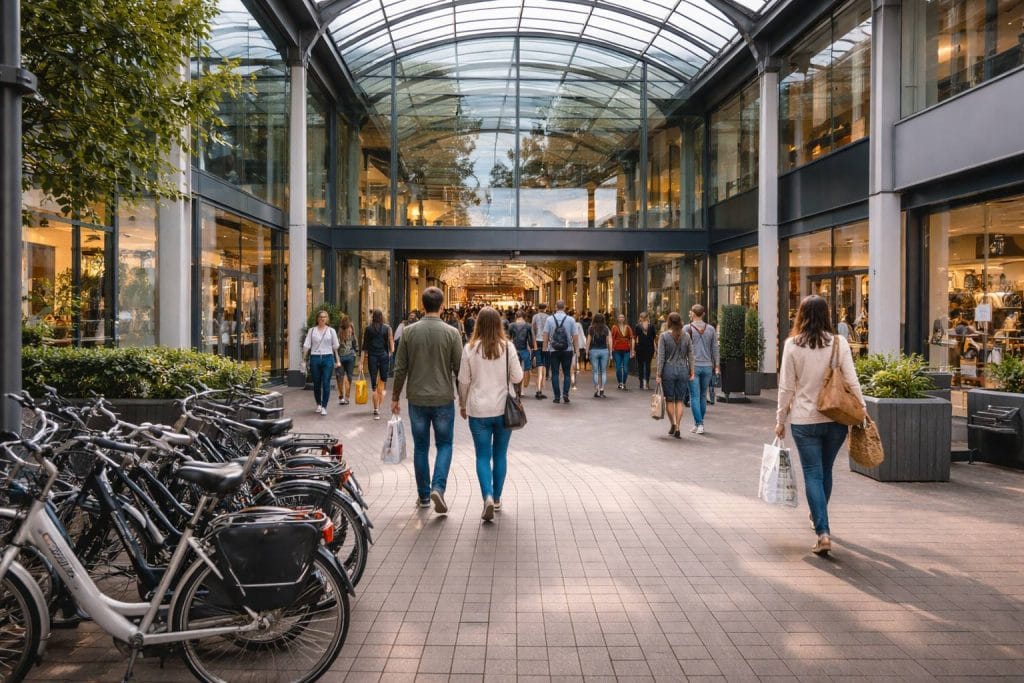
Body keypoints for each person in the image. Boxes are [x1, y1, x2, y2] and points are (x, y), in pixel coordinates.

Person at [775, 295, 866, 556]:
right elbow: (852, 380)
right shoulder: (839, 343)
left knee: (813, 473)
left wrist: (780, 420)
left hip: (804, 420)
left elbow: (786, 387)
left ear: (801, 315)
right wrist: (862, 410)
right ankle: (818, 518)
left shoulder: (792, 345)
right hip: (836, 418)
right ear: (827, 315)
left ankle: (822, 531)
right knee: (825, 471)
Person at [392, 287, 463, 513]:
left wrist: (395, 396)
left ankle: (423, 495)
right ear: (442, 306)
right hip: (443, 398)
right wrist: (463, 399)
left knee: (421, 447)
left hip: (417, 398)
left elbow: (400, 368)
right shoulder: (452, 333)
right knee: (445, 444)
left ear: (423, 306)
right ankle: (438, 488)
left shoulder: (409, 332)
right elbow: (459, 370)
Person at [458, 307, 523, 522]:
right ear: (498, 324)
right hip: (504, 409)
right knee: (500, 455)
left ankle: (486, 494)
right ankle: (496, 499)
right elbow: (517, 376)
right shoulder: (508, 347)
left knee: (482, 456)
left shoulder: (470, 348)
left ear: (478, 324)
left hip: (478, 410)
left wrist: (462, 404)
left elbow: (463, 381)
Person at [655, 312, 695, 439]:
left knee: (670, 400)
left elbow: (661, 357)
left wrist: (658, 374)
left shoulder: (664, 336)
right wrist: (692, 371)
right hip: (683, 370)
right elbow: (691, 355)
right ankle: (678, 427)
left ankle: (672, 423)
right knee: (679, 401)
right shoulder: (686, 336)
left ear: (669, 322)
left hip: (668, 370)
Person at [684, 304, 720, 435]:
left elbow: (682, 347)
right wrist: (717, 365)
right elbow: (715, 348)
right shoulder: (711, 329)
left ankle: (699, 424)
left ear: (693, 314)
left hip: (693, 367)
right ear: (703, 314)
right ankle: (698, 423)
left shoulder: (687, 328)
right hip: (708, 366)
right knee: (703, 396)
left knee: (694, 396)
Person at [303, 310, 340, 415]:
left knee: (326, 382)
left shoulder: (331, 331)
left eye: (324, 317)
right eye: (320, 317)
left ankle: (324, 406)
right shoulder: (312, 331)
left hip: (328, 358)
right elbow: (306, 346)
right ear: (317, 319)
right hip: (315, 358)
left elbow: (335, 346)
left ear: (327, 319)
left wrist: (337, 359)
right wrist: (303, 360)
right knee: (316, 383)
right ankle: (318, 404)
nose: (322, 319)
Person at [542, 300, 578, 404]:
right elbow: (575, 336)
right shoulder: (571, 320)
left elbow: (545, 334)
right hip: (567, 349)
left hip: (554, 350)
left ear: (555, 307)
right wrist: (577, 350)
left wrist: (544, 348)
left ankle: (557, 397)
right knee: (567, 373)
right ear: (565, 307)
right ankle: (565, 393)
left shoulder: (549, 319)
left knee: (555, 373)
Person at [361, 310, 394, 419]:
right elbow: (391, 344)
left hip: (372, 357)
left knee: (374, 384)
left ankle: (376, 408)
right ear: (382, 317)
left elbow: (364, 347)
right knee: (382, 382)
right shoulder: (387, 328)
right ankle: (378, 406)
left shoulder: (368, 329)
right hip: (384, 356)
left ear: (373, 317)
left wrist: (361, 362)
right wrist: (391, 352)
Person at [508, 309, 534, 391]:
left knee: (515, 369)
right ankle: (523, 387)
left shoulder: (511, 325)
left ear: (516, 316)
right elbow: (530, 341)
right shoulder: (528, 326)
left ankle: (516, 388)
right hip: (524, 350)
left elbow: (508, 338)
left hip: (514, 350)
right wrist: (532, 347)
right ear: (524, 316)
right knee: (526, 368)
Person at [335, 315, 359, 405]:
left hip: (348, 356)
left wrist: (355, 351)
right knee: (342, 377)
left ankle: (345, 397)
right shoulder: (340, 331)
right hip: (342, 357)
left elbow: (355, 341)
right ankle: (343, 397)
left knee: (344, 377)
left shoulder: (350, 329)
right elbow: (336, 345)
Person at [587, 313, 610, 398]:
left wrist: (586, 352)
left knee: (595, 371)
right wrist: (609, 352)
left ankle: (597, 389)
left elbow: (588, 341)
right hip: (604, 350)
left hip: (594, 351)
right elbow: (608, 342)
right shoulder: (606, 328)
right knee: (603, 371)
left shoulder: (591, 328)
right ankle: (602, 389)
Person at [531, 303, 551, 400]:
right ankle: (540, 389)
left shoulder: (535, 317)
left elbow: (533, 330)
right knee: (544, 366)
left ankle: (539, 390)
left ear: (538, 308)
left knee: (539, 367)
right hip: (546, 343)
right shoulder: (548, 317)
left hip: (537, 342)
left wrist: (534, 344)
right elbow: (550, 331)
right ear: (545, 308)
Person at [633, 311, 657, 390]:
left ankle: (642, 383)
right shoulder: (650, 326)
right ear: (647, 317)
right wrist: (655, 349)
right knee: (647, 366)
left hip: (641, 347)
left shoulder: (638, 326)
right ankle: (646, 383)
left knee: (641, 366)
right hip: (648, 348)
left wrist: (634, 349)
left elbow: (636, 339)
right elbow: (653, 339)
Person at [611, 314, 634, 390]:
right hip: (617, 349)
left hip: (626, 349)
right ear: (617, 318)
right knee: (618, 368)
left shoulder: (628, 327)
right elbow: (612, 338)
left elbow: (631, 338)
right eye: (620, 317)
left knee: (625, 368)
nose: (621, 318)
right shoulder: (614, 327)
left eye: (622, 317)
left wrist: (632, 350)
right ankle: (620, 382)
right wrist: (611, 348)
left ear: (624, 319)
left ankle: (623, 383)